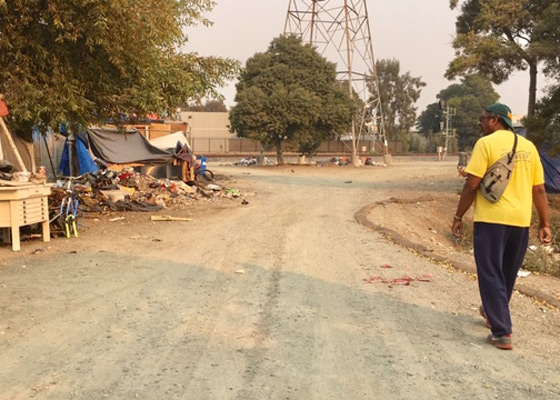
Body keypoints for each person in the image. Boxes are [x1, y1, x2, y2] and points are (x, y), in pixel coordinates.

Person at [451, 103, 552, 350]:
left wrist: (458, 216)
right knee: (506, 273)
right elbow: (539, 189)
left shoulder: (486, 144)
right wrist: (545, 223)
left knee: (490, 272)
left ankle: (502, 332)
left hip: (492, 220)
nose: (480, 123)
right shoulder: (529, 146)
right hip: (520, 221)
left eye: (483, 118)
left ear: (495, 121)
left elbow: (472, 185)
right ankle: (491, 311)